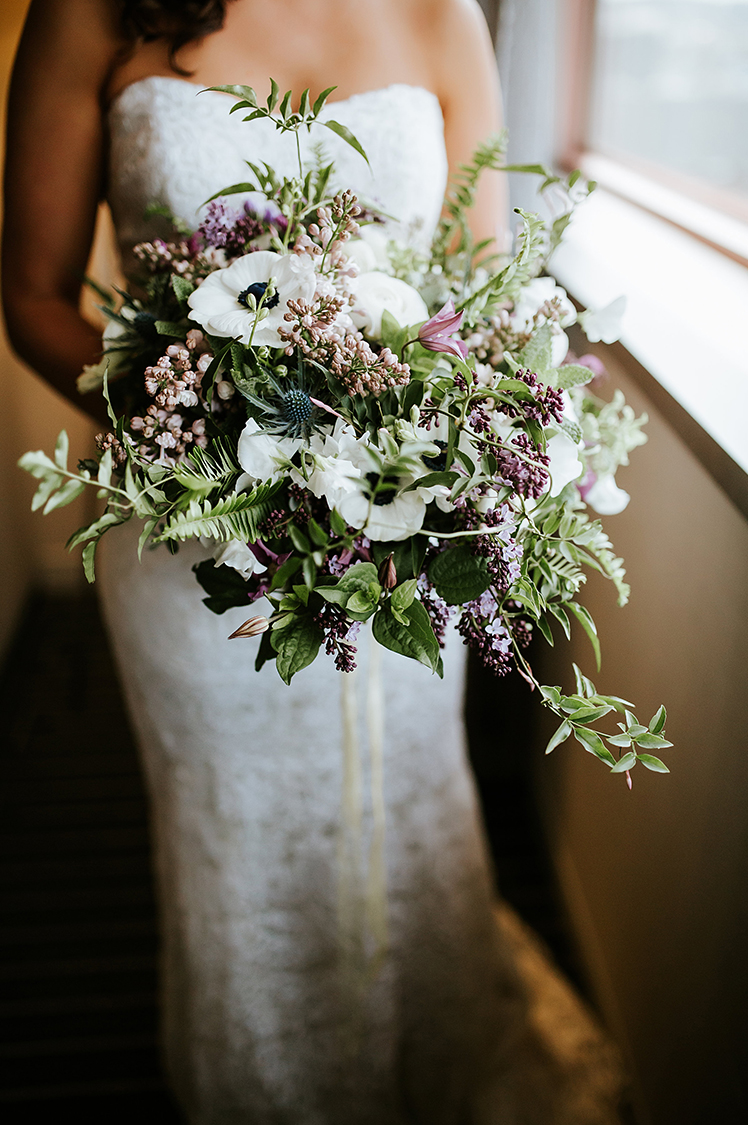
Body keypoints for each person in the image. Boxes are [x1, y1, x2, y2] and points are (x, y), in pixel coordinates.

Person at [3, 3, 532, 1122]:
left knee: (406, 789)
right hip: (190, 538)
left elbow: (480, 290)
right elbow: (34, 295)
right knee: (233, 826)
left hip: (391, 533)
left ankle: (430, 1063)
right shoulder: (93, 13)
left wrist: (425, 439)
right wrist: (198, 428)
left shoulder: (445, 17)